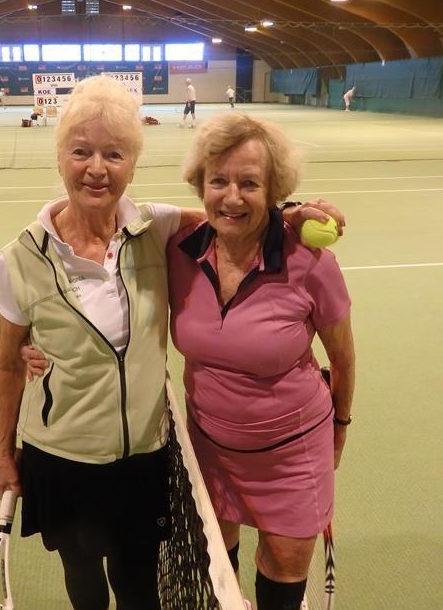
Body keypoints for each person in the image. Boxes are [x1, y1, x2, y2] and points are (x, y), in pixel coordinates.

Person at [0, 75, 345, 609]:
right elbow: (5, 362)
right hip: (66, 452)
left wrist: (289, 214)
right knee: (83, 576)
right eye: (81, 152)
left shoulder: (154, 229)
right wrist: (4, 450)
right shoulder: (20, 259)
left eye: (114, 153)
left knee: (141, 584)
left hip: (148, 454)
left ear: (132, 166)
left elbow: (232, 218)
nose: (97, 168)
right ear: (60, 157)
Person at [168, 112, 355, 610]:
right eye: (219, 181)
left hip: (291, 454)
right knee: (217, 575)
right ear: (200, 185)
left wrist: (341, 423)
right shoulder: (178, 248)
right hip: (210, 447)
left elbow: (343, 355)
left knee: (282, 577)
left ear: (273, 191)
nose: (232, 197)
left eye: (250, 183)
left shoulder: (311, 262)